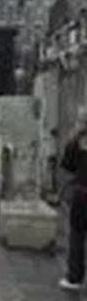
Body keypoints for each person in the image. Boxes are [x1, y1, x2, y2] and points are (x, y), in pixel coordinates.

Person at [58, 116, 87, 291]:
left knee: (77, 236)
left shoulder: (78, 141)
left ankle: (74, 278)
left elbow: (68, 165)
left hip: (83, 194)